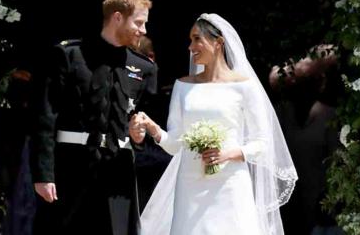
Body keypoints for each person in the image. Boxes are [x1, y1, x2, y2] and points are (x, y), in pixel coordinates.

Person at [130, 13, 298, 235]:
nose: (191, 47)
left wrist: (228, 154)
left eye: (197, 39)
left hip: (229, 182)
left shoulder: (244, 87)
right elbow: (175, 144)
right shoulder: (183, 86)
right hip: (189, 184)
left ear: (218, 43)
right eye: (191, 40)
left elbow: (262, 143)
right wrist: (154, 129)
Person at [30, 0, 157, 235]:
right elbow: (45, 117)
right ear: (117, 17)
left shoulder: (144, 68)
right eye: (139, 22)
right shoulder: (68, 55)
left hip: (118, 174)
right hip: (71, 168)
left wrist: (139, 136)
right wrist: (44, 174)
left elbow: (145, 124)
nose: (143, 31)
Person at [269, 49, 344, 235]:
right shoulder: (281, 113)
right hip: (287, 199)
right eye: (294, 84)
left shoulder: (328, 116)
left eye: (304, 83)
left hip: (318, 202)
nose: (298, 89)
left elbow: (337, 161)